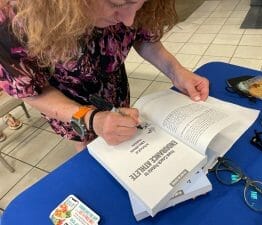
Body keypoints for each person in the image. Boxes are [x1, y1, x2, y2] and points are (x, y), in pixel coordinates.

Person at [0, 0, 209, 151]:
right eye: (117, 5)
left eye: (138, 4)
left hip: (112, 86)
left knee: (122, 136)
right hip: (66, 104)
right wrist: (92, 120)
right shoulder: (11, 21)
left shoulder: (129, 15)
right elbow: (32, 92)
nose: (129, 20)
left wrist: (176, 71)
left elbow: (142, 37)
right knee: (90, 148)